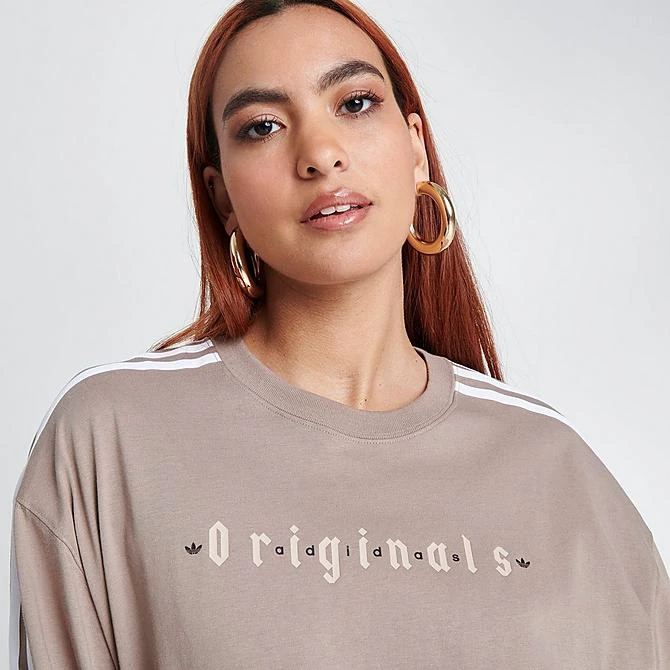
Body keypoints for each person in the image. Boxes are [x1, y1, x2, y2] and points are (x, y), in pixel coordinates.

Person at [9, 0, 670, 667]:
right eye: (262, 126)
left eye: (354, 103)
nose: (320, 154)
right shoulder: (113, 437)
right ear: (222, 196)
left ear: (416, 146)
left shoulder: (560, 474)